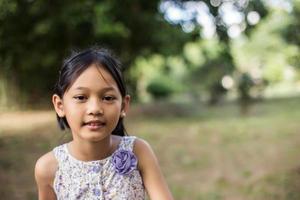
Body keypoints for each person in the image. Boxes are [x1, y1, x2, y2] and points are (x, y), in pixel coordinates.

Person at [34, 47, 173, 200]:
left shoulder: (139, 151)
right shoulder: (48, 168)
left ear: (123, 106)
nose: (95, 109)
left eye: (107, 98)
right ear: (60, 106)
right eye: (81, 97)